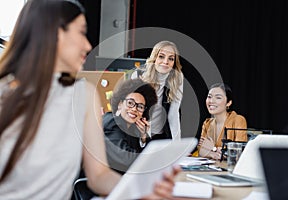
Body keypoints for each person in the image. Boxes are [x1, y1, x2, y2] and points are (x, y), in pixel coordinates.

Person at [0, 0, 180, 199]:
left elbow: (100, 176)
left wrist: (145, 192)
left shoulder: (84, 94)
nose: (88, 45)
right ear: (55, 34)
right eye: (81, 32)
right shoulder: (4, 92)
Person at [103, 78, 157, 174]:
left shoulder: (131, 128)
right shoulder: (112, 123)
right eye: (130, 103)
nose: (134, 109)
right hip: (97, 184)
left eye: (140, 107)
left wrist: (143, 137)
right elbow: (128, 160)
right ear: (120, 104)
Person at [132, 40, 183, 140]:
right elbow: (132, 110)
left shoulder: (177, 77)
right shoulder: (138, 75)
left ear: (174, 62)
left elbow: (173, 114)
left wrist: (177, 145)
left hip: (161, 135)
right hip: (139, 133)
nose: (165, 62)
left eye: (171, 58)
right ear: (154, 57)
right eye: (161, 56)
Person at [192, 83, 247, 160]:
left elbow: (239, 152)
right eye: (209, 97)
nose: (211, 101)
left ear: (228, 103)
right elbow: (201, 150)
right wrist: (213, 154)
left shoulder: (238, 119)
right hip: (211, 167)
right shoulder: (207, 123)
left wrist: (213, 148)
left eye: (218, 98)